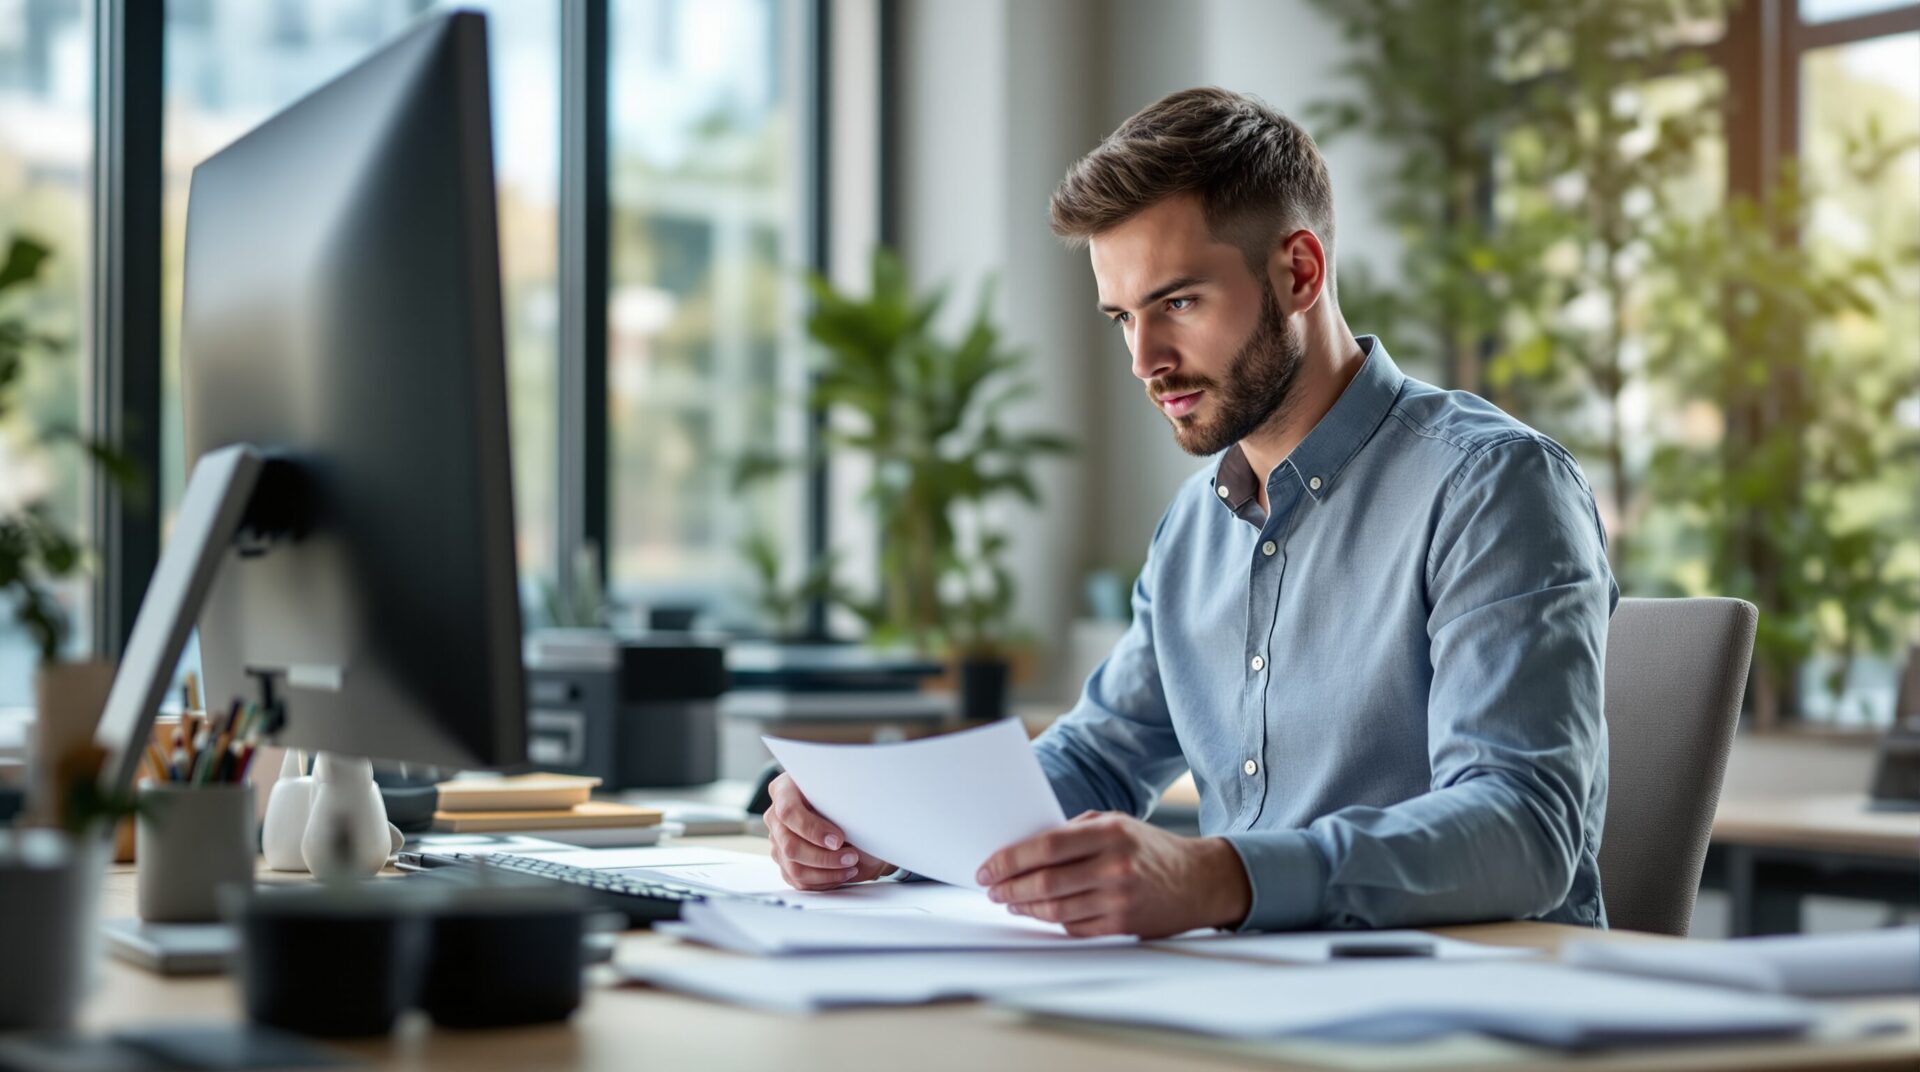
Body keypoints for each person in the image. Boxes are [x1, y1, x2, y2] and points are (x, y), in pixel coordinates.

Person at [764, 86, 1617, 938]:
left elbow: (1522, 830)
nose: (1145, 360)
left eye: (1177, 303)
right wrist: (884, 833)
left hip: (1472, 1011)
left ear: (1299, 272)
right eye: (1121, 318)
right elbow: (1097, 759)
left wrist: (1219, 877)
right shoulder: (1196, 527)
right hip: (1243, 1000)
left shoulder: (1492, 486)